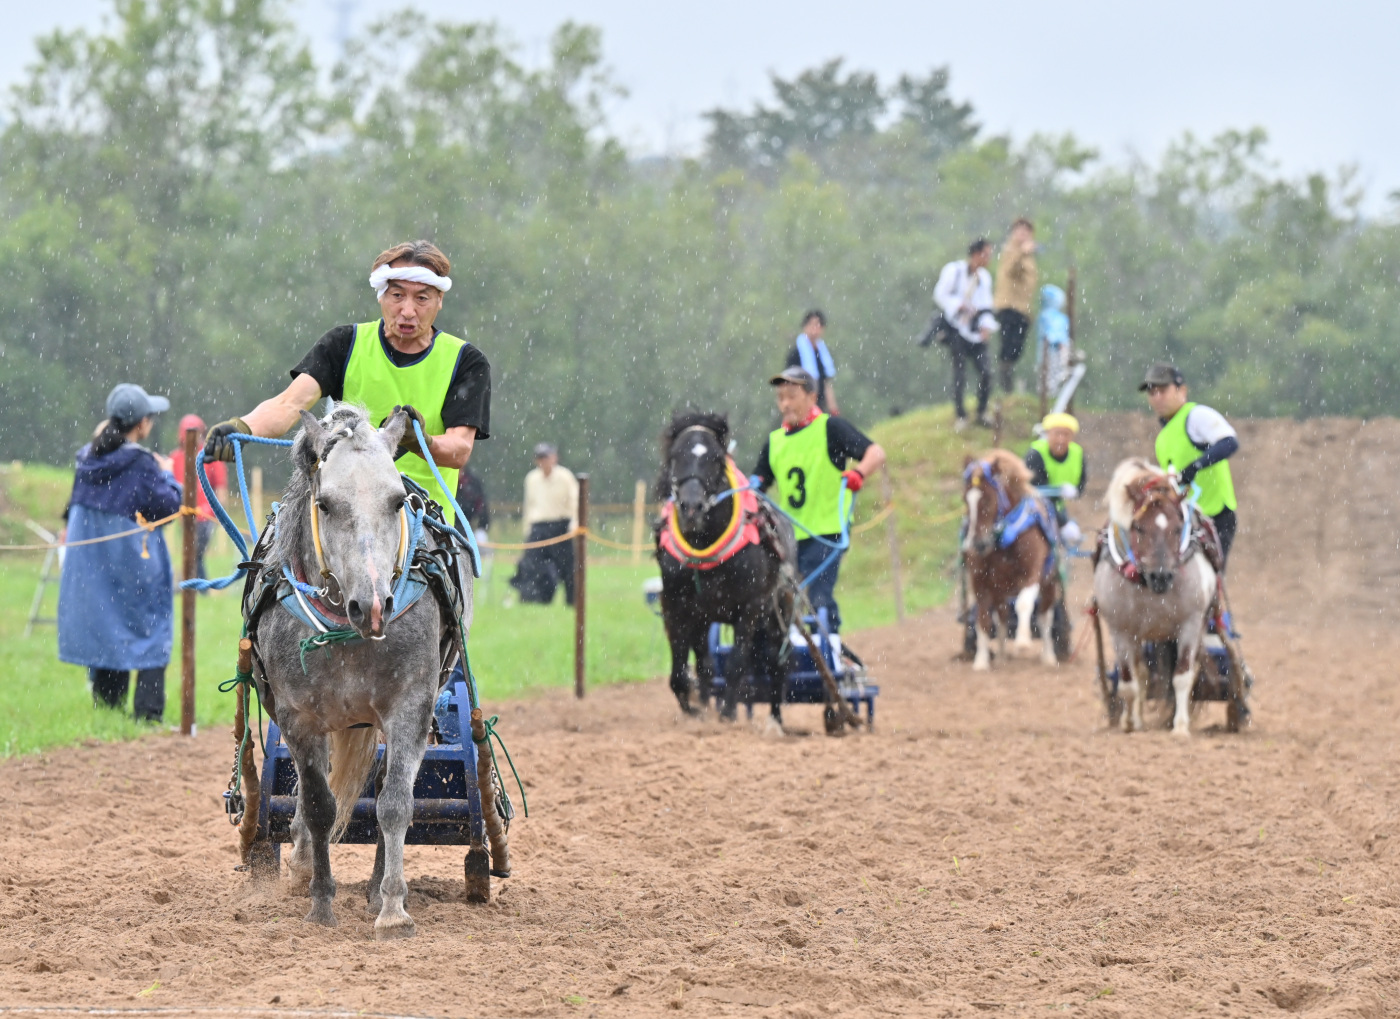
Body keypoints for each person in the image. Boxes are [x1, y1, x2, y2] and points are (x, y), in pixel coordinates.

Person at [203, 240, 490, 523]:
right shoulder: (344, 344)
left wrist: (420, 442)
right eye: (397, 295)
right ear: (381, 296)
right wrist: (241, 428)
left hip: (426, 522)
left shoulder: (465, 361)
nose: (408, 310)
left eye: (422, 298)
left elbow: (459, 450)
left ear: (440, 300)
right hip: (343, 514)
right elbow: (289, 403)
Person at [58, 384, 182, 722]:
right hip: (133, 564)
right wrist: (170, 474)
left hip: (93, 567)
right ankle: (148, 715)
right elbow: (167, 507)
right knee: (151, 627)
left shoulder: (86, 457)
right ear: (141, 424)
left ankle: (109, 713)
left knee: (107, 626)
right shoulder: (141, 462)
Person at [751, 367, 885, 632]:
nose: (785, 403)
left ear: (812, 397)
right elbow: (758, 483)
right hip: (787, 540)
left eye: (791, 395)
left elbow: (876, 452)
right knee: (778, 604)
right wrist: (749, 486)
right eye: (780, 398)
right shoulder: (775, 441)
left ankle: (829, 654)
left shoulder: (830, 428)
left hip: (826, 533)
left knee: (818, 600)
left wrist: (859, 473)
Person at [1141, 363, 1240, 569]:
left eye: (1163, 390)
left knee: (1210, 581)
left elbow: (1229, 442)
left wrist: (1195, 467)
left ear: (1182, 390)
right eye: (1152, 392)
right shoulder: (1161, 439)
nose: (1157, 397)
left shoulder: (1196, 415)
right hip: (1183, 521)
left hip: (1214, 516)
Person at [933, 239, 998, 432]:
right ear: (976, 254)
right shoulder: (955, 271)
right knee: (959, 374)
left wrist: (986, 325)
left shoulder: (984, 278)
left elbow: (986, 304)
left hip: (976, 331)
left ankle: (981, 410)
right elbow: (940, 295)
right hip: (957, 329)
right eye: (985, 254)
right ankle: (961, 414)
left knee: (986, 372)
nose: (988, 259)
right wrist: (958, 305)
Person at [509, 443, 579, 605]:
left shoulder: (565, 476)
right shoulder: (531, 478)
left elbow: (574, 502)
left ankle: (572, 602)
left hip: (561, 526)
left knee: (568, 567)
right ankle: (530, 599)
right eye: (540, 458)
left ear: (554, 458)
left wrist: (574, 524)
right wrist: (528, 530)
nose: (543, 461)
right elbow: (530, 505)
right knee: (530, 565)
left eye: (546, 457)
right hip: (538, 527)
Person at [167, 414, 227, 582]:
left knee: (194, 553)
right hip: (185, 516)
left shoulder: (212, 458)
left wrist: (211, 511)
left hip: (205, 517)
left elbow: (221, 492)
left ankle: (195, 585)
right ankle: (196, 585)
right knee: (193, 554)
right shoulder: (175, 458)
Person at [1025, 412, 1086, 546]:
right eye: (1057, 434)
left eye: (1066, 434)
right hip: (1033, 506)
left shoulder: (1077, 454)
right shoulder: (1035, 454)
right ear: (1047, 434)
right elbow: (1039, 493)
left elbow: (1081, 482)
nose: (1061, 440)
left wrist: (1076, 491)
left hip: (1058, 506)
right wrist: (1063, 524)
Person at [993, 218, 1038, 393]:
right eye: (1020, 231)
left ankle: (1007, 377)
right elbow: (1011, 270)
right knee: (1008, 344)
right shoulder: (1011, 251)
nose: (1023, 235)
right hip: (1008, 305)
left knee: (1017, 347)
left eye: (1027, 232)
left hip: (1022, 308)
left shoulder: (1029, 256)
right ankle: (1005, 383)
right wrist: (1021, 253)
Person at [784, 310, 839, 415]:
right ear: (804, 327)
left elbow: (827, 382)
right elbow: (788, 383)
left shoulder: (823, 353)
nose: (814, 329)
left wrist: (833, 408)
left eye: (818, 325)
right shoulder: (795, 353)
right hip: (801, 407)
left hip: (819, 405)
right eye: (811, 325)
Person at [1036, 284, 1072, 397]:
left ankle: (1047, 397)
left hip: (1045, 352)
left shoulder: (1044, 315)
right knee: (1051, 379)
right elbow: (1058, 338)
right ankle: (1050, 398)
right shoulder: (1057, 317)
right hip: (1054, 352)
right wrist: (1064, 356)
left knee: (1046, 379)